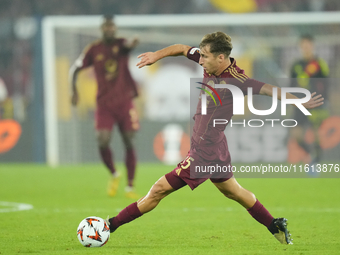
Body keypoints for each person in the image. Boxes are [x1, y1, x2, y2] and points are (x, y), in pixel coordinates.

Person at [105, 32, 324, 244]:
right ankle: (274, 224)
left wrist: (300, 100)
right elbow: (181, 49)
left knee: (158, 191)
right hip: (217, 146)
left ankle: (108, 226)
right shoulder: (208, 61)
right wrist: (156, 55)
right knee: (234, 191)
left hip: (204, 152)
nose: (200, 61)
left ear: (221, 57)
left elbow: (269, 90)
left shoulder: (238, 81)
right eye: (200, 55)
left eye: (205, 57)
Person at [70, 15, 140, 199]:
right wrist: (74, 91)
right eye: (106, 27)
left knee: (129, 141)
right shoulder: (94, 50)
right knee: (101, 140)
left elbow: (128, 46)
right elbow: (74, 69)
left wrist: (133, 43)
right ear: (102, 29)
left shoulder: (121, 44)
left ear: (115, 28)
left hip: (125, 102)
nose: (110, 30)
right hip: (104, 104)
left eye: (112, 27)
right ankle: (115, 174)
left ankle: (130, 186)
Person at [290, 34, 329, 167]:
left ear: (312, 46)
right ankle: (310, 155)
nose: (305, 48)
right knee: (297, 135)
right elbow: (291, 86)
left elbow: (327, 85)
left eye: (308, 45)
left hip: (315, 103)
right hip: (300, 104)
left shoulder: (319, 64)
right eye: (303, 45)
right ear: (300, 47)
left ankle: (317, 163)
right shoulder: (296, 65)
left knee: (317, 134)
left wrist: (324, 103)